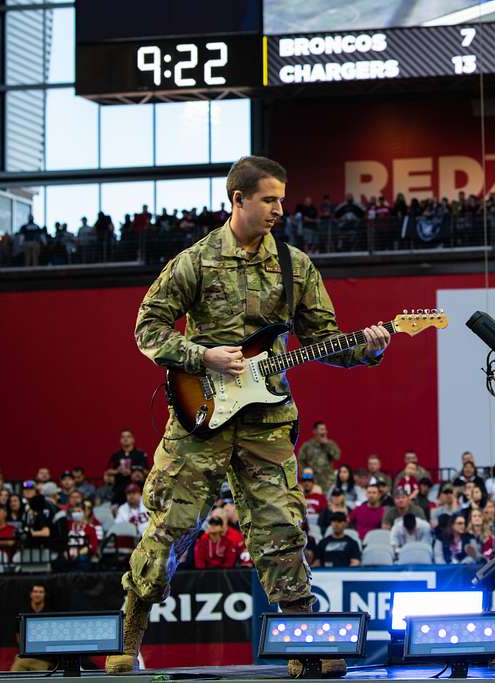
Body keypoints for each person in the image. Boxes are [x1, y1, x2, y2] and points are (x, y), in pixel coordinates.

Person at [108, 156, 391, 677]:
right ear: (237, 199)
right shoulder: (194, 262)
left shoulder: (295, 265)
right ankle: (130, 632)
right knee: (172, 526)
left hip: (266, 421)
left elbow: (324, 340)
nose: (280, 210)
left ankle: (303, 642)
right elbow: (147, 331)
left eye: (282, 199)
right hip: (200, 418)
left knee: (282, 528)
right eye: (269, 200)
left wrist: (368, 348)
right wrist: (202, 356)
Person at [11, 584, 51, 672]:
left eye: (41, 592)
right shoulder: (23, 612)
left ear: (44, 595)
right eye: (35, 592)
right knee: (18, 666)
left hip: (45, 658)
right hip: (26, 655)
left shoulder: (50, 612)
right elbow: (18, 636)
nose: (38, 594)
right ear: (31, 594)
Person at [297, 421, 341, 493]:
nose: (324, 432)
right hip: (313, 482)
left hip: (328, 482)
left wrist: (327, 445)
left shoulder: (330, 444)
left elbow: (337, 457)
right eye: (321, 429)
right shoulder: (307, 446)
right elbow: (300, 461)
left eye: (325, 430)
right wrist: (306, 476)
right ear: (315, 431)